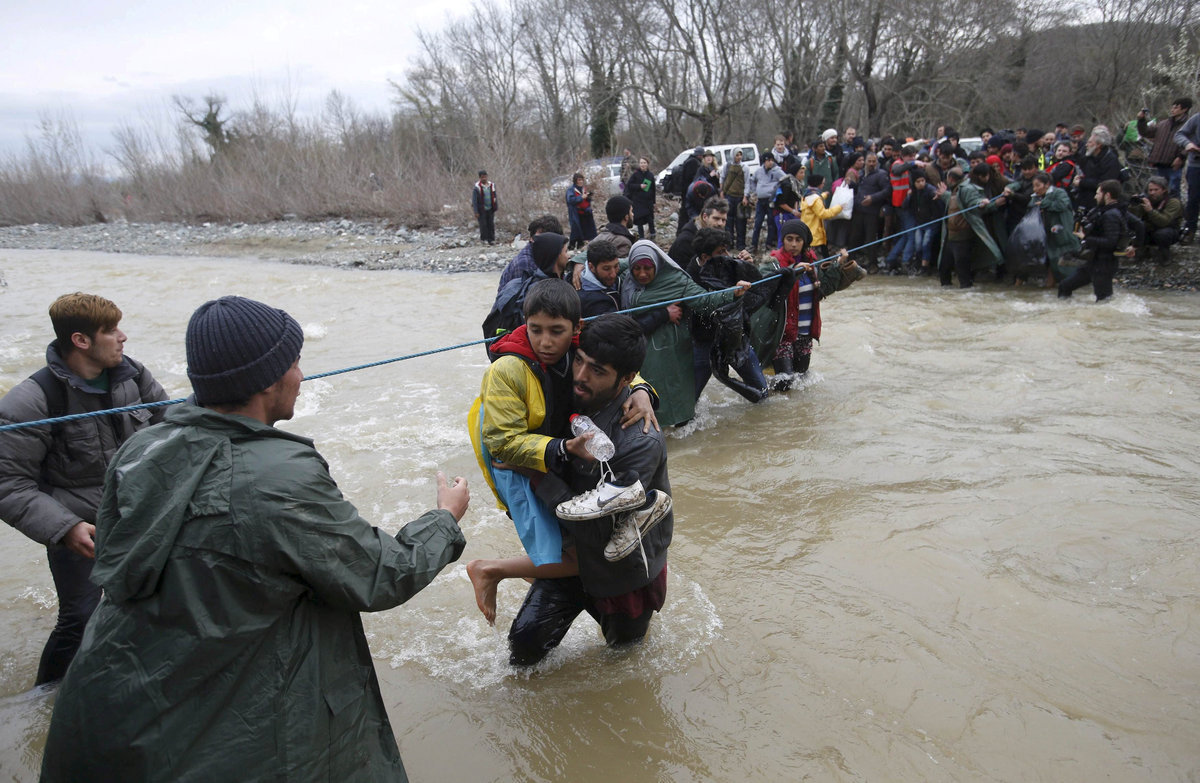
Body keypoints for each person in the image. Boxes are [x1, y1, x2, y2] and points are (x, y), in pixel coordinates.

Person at [39, 296, 470, 781]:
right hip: (225, 742)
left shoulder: (141, 447)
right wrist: (444, 518)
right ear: (268, 379)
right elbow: (378, 574)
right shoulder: (279, 476)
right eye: (295, 362)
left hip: (110, 712)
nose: (301, 375)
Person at [467, 280, 659, 625]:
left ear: (575, 329)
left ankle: (517, 571)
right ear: (524, 322)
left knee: (567, 550)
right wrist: (560, 449)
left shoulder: (577, 350)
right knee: (565, 552)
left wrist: (642, 389)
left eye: (556, 331)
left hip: (554, 455)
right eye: (535, 330)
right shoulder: (507, 370)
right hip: (519, 460)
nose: (545, 342)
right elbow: (501, 441)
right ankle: (490, 570)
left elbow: (618, 358)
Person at [0, 293, 168, 687]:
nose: (122, 337)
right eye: (110, 331)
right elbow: (7, 484)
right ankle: (44, 702)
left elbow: (177, 423)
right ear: (80, 340)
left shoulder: (133, 375)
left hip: (140, 516)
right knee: (80, 619)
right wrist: (64, 528)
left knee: (153, 606)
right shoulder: (30, 400)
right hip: (80, 530)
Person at [507, 313, 674, 666]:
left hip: (620, 570)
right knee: (524, 647)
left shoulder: (640, 440)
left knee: (624, 657)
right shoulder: (570, 387)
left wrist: (534, 472)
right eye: (579, 361)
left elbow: (598, 528)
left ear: (626, 378)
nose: (580, 377)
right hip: (569, 554)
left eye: (597, 371)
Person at [685, 228, 764, 402]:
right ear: (705, 257)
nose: (728, 255)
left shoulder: (728, 265)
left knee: (761, 392)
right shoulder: (689, 277)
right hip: (703, 341)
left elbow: (755, 294)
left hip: (735, 337)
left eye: (727, 249)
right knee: (690, 400)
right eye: (721, 252)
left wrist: (748, 267)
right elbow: (703, 304)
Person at [1059, 179, 1125, 302]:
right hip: (1093, 261)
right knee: (1064, 286)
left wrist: (1085, 238)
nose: (1095, 197)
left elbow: (1111, 242)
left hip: (1104, 263)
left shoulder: (1111, 215)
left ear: (1107, 195)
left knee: (1103, 300)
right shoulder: (1104, 211)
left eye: (1098, 193)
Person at [1029, 171, 1081, 284]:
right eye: (1033, 186)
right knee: (1052, 259)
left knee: (1068, 257)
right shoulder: (1036, 197)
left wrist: (1044, 204)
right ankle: (1051, 284)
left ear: (1047, 184)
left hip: (1063, 230)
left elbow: (1062, 204)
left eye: (1038, 185)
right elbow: (1031, 208)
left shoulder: (1059, 192)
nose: (1035, 189)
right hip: (1047, 233)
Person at [497, 215, 563, 291]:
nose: (538, 239)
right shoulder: (525, 264)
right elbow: (522, 299)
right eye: (538, 236)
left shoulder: (545, 257)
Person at [1126, 176, 1183, 264]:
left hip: (1168, 230)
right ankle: (1139, 250)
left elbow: (1164, 221)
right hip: (1149, 228)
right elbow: (1133, 219)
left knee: (1163, 234)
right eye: (1150, 190)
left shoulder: (1173, 202)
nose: (1152, 193)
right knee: (1139, 226)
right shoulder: (1146, 199)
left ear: (1164, 190)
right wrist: (1134, 206)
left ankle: (1164, 254)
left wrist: (1150, 211)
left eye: (1156, 190)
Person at [850, 152, 890, 272]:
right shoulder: (862, 174)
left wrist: (873, 198)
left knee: (870, 238)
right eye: (869, 161)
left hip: (872, 211)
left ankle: (873, 264)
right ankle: (849, 263)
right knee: (854, 237)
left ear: (877, 162)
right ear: (865, 162)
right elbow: (858, 189)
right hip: (858, 210)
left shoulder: (881, 174)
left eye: (874, 161)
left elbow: (887, 190)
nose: (872, 164)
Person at [669, 196, 728, 266]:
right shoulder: (686, 240)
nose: (720, 223)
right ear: (705, 217)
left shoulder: (717, 236)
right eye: (716, 218)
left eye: (723, 220)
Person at [1073, 127, 1122, 211]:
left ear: (1098, 145)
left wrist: (1082, 183)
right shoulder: (1087, 156)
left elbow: (1105, 183)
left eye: (1090, 142)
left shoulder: (1111, 160)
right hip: (1083, 199)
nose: (1086, 145)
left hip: (1101, 203)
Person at [1173, 107, 1200, 244]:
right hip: (1196, 165)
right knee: (1193, 199)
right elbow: (1179, 135)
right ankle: (1190, 229)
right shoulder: (1196, 118)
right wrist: (1188, 144)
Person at [800, 173, 842, 259]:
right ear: (818, 184)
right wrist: (839, 208)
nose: (823, 185)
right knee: (813, 256)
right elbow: (823, 214)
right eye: (823, 183)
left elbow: (815, 202)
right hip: (815, 231)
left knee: (821, 251)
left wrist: (824, 195)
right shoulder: (816, 198)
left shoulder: (807, 195)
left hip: (808, 227)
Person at [748, 152, 784, 251]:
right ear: (764, 161)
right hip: (760, 200)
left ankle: (769, 243)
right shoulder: (759, 171)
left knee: (771, 222)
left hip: (771, 200)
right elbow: (752, 180)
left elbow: (785, 180)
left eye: (772, 160)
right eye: (768, 160)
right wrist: (755, 191)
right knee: (758, 222)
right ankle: (754, 244)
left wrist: (777, 192)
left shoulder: (777, 171)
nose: (770, 162)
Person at [578, 239, 623, 318]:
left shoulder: (615, 280)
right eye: (606, 269)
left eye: (616, 266)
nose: (613, 274)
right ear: (591, 267)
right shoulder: (592, 302)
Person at [721, 149, 748, 250]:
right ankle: (729, 243)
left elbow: (747, 183)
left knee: (741, 222)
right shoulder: (727, 166)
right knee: (728, 221)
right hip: (729, 196)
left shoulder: (745, 167)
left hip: (740, 197)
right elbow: (722, 178)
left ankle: (741, 244)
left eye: (740, 155)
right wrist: (722, 192)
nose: (739, 157)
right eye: (737, 155)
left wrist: (745, 196)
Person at [626, 157, 657, 240]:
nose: (642, 164)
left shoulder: (650, 175)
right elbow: (629, 185)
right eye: (641, 163)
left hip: (648, 201)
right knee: (639, 220)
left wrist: (654, 201)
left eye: (644, 163)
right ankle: (641, 237)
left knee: (650, 218)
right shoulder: (635, 174)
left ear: (647, 164)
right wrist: (639, 186)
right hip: (638, 201)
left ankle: (653, 234)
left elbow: (653, 189)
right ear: (639, 164)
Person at [566, 173, 597, 250]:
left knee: (587, 230)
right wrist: (581, 197)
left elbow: (586, 200)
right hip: (576, 213)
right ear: (575, 181)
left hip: (585, 213)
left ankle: (582, 245)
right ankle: (571, 246)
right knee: (576, 230)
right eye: (579, 180)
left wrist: (588, 196)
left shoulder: (583, 188)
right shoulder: (571, 190)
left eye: (582, 180)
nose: (581, 182)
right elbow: (570, 200)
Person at [472, 170, 499, 245]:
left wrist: (495, 206)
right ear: (480, 178)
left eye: (485, 177)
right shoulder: (477, 188)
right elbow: (474, 201)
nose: (484, 178)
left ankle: (491, 239)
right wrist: (476, 211)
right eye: (482, 177)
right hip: (481, 209)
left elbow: (494, 196)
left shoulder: (491, 185)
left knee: (491, 224)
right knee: (483, 225)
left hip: (490, 208)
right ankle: (484, 239)